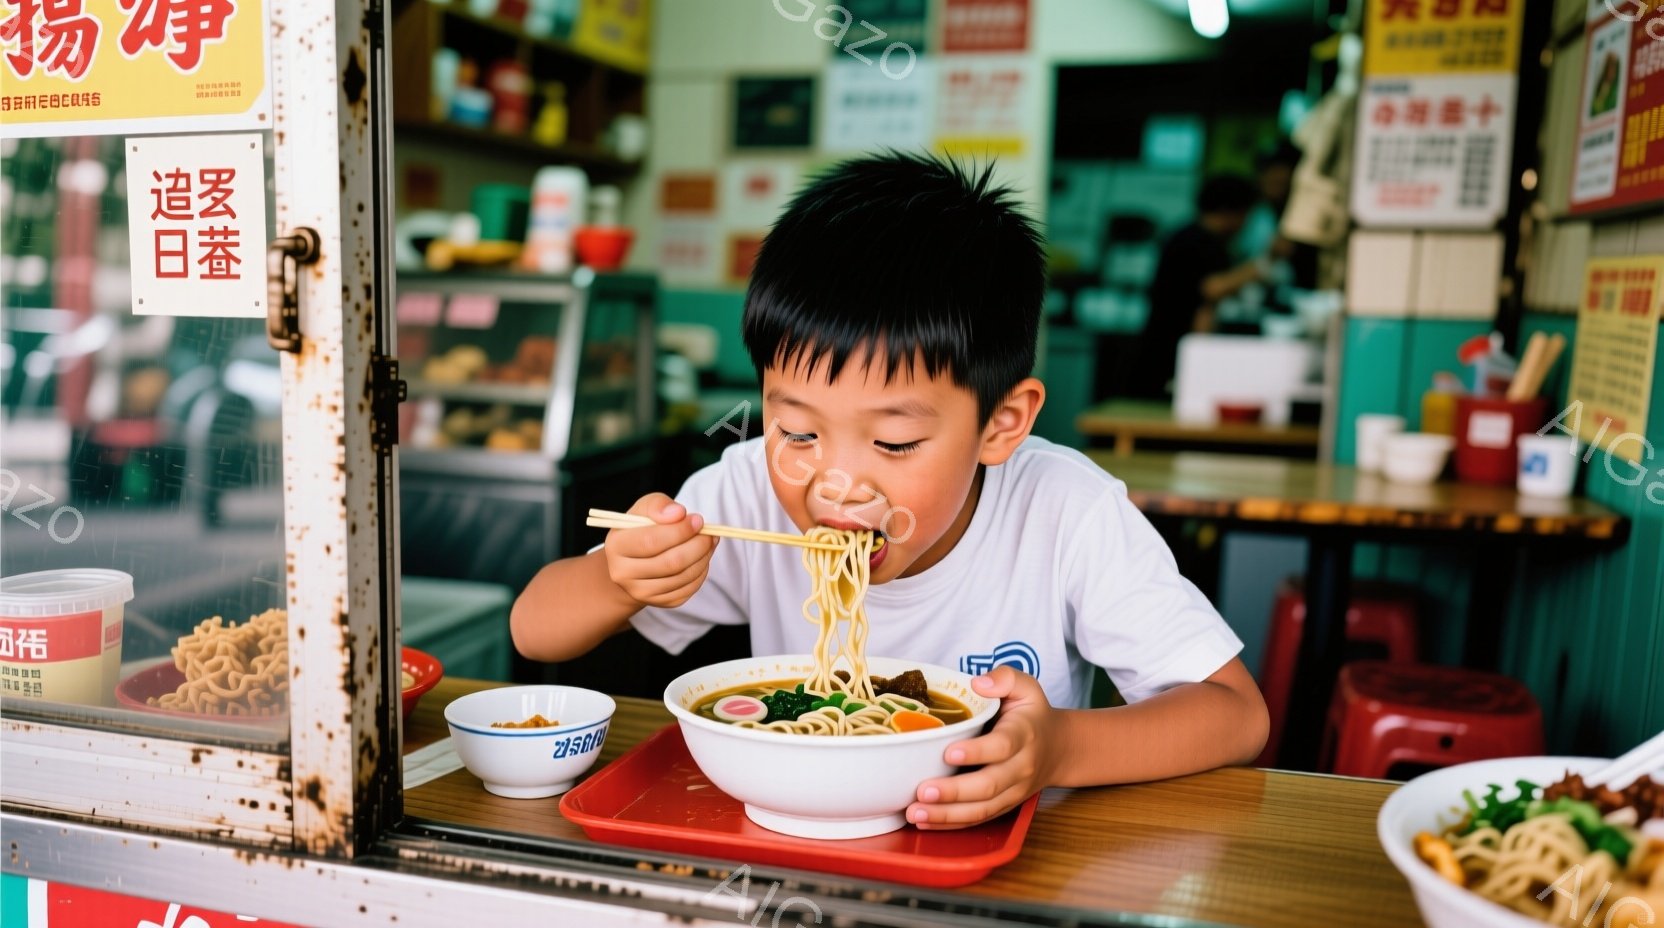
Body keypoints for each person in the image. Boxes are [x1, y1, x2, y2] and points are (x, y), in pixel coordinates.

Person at [512, 151, 1268, 829]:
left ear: (1002, 423)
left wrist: (1059, 749)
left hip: (1006, 864)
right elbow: (535, 630)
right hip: (795, 843)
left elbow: (1236, 717)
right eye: (798, 432)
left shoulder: (1065, 509)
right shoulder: (745, 491)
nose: (836, 483)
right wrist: (620, 576)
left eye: (895, 442)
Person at [1129, 175, 1265, 399]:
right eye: (1246, 215)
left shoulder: (1188, 235)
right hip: (1166, 350)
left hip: (1168, 348)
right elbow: (1212, 289)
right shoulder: (1198, 241)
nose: (1246, 224)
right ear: (1230, 211)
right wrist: (1258, 267)